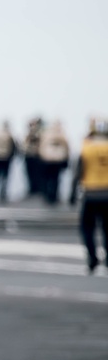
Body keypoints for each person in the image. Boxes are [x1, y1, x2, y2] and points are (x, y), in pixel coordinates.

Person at [69, 117, 108, 274]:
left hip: (90, 193)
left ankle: (92, 258)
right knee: (107, 228)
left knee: (87, 228)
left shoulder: (87, 148)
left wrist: (72, 192)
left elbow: (78, 171)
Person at [38, 119, 70, 205]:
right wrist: (66, 158)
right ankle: (54, 196)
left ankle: (47, 194)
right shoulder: (62, 134)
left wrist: (41, 157)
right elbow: (66, 147)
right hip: (58, 159)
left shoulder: (46, 134)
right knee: (56, 179)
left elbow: (41, 146)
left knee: (47, 178)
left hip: (47, 159)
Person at [22, 117, 44, 197]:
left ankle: (35, 189)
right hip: (31, 155)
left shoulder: (36, 133)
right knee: (31, 174)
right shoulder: (31, 133)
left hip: (34, 156)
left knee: (34, 174)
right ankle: (33, 189)